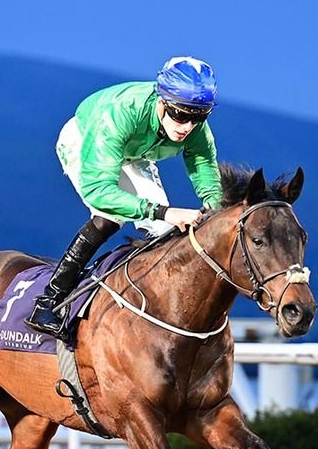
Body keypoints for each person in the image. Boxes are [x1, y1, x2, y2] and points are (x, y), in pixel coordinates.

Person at [25, 56, 222, 338]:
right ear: (162, 102)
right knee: (111, 217)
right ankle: (48, 303)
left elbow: (204, 168)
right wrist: (164, 211)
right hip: (88, 141)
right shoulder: (119, 113)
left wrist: (215, 210)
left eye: (199, 116)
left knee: (163, 232)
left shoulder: (194, 126)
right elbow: (100, 191)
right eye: (180, 114)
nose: (188, 126)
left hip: (134, 153)